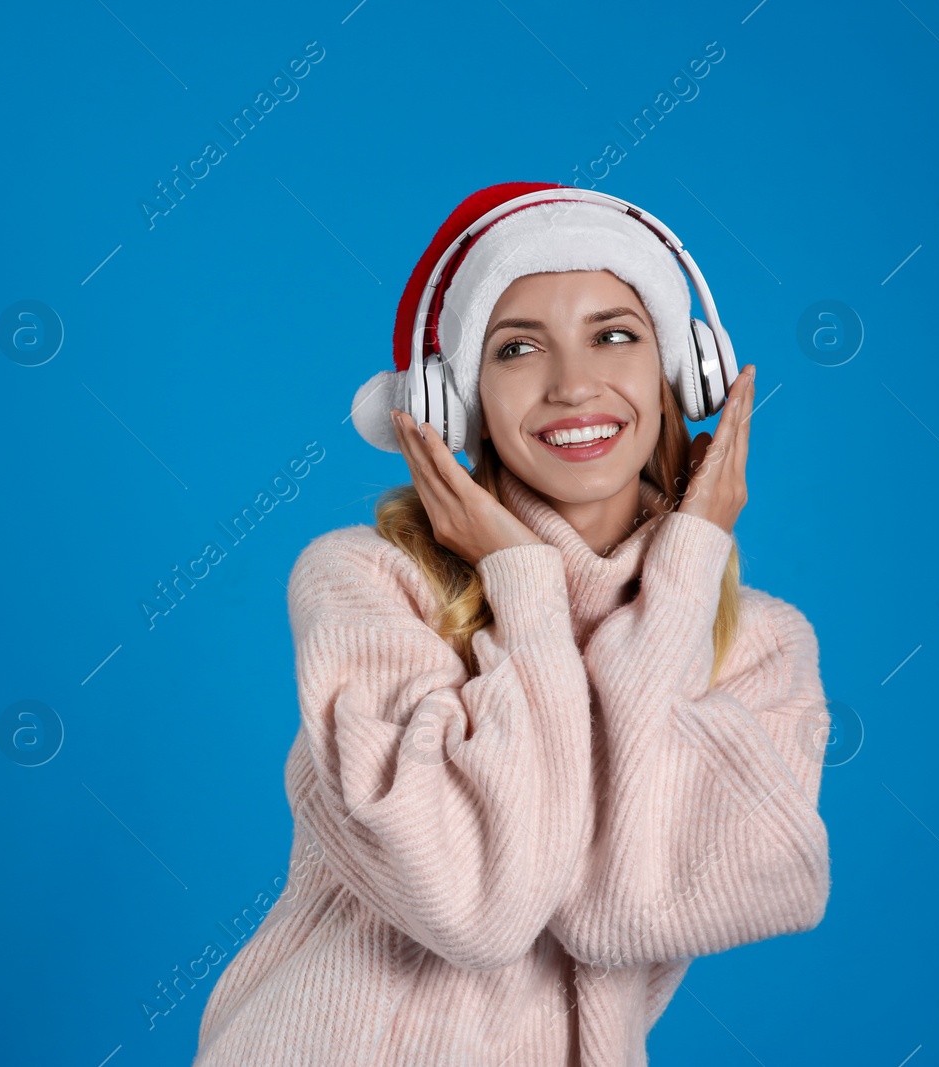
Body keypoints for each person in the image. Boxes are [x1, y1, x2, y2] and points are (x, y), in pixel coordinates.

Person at [191, 183, 833, 1066]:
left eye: (615, 334)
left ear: (682, 370)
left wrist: (683, 577)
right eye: (518, 348)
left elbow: (624, 908)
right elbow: (477, 902)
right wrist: (523, 589)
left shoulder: (760, 648)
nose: (574, 385)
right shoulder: (370, 581)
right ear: (461, 400)